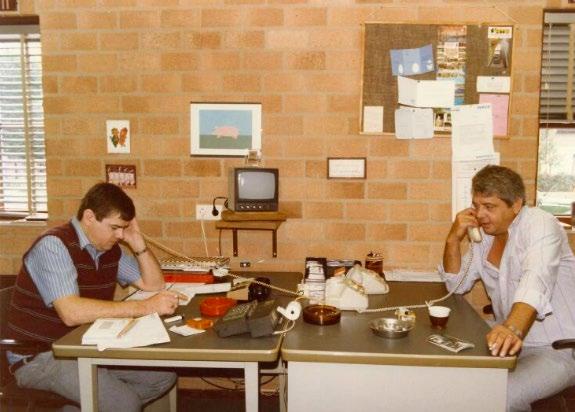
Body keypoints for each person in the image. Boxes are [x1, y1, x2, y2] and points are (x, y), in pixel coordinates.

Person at [6, 182, 181, 412]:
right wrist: (144, 307)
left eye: (124, 228)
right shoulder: (54, 246)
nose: (120, 235)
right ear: (89, 217)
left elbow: (154, 285)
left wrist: (138, 243)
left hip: (86, 346)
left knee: (162, 378)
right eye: (115, 227)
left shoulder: (108, 250)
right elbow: (71, 313)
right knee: (124, 404)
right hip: (41, 356)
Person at [440, 165, 575, 411]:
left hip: (558, 349)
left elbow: (536, 279)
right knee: (452, 375)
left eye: (489, 206)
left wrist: (511, 328)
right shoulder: (485, 237)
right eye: (476, 205)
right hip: (509, 342)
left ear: (516, 205)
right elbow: (456, 285)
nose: (480, 215)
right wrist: (452, 239)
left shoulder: (540, 224)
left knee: (499, 397)